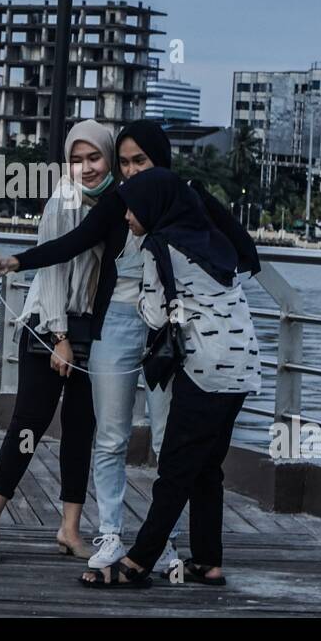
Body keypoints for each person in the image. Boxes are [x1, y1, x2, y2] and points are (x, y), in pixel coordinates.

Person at [0, 119, 261, 573]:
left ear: (161, 161)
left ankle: (164, 541)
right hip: (114, 321)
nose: (131, 172)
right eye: (126, 162)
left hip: (169, 329)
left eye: (141, 161)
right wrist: (16, 262)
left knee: (167, 437)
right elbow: (71, 243)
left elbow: (241, 251)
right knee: (110, 435)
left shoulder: (185, 197)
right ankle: (110, 534)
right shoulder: (118, 202)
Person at [80, 167, 261, 588]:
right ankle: (208, 560)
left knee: (175, 470)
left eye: (132, 210)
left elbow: (156, 314)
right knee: (207, 468)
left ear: (154, 208)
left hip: (205, 369)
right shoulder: (212, 237)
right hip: (242, 364)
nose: (126, 218)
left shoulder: (158, 246)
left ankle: (139, 561)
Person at [0, 121, 111, 565]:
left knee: (80, 429)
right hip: (48, 326)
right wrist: (59, 337)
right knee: (29, 424)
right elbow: (51, 269)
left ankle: (69, 528)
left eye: (94, 158)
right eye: (77, 159)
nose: (86, 168)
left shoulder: (117, 202)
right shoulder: (64, 199)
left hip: (95, 329)